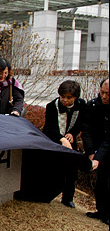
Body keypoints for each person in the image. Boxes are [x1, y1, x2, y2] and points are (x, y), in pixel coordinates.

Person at [42, 80, 86, 208]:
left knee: (72, 171)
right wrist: (61, 138)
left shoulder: (81, 105)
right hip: (54, 141)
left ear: (75, 97)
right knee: (53, 170)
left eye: (69, 98)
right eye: (62, 97)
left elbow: (81, 123)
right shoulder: (52, 106)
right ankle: (47, 194)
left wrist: (72, 133)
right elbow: (49, 128)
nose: (65, 100)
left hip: (70, 141)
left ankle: (68, 198)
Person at [82, 78, 109, 225]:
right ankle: (101, 210)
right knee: (101, 182)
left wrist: (97, 156)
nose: (104, 96)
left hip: (106, 148)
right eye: (102, 92)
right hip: (97, 147)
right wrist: (91, 152)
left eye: (108, 94)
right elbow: (86, 130)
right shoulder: (92, 105)